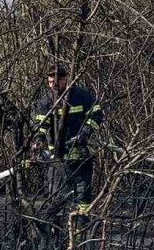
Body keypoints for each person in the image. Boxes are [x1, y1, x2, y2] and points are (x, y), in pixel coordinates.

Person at [31, 65, 103, 248]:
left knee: (83, 196)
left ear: (65, 79)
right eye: (49, 83)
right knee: (56, 196)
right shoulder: (46, 101)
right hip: (56, 160)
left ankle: (81, 232)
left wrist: (86, 132)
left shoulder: (81, 96)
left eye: (56, 82)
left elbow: (97, 114)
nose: (52, 86)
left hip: (81, 158)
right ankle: (54, 233)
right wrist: (38, 140)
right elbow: (40, 124)